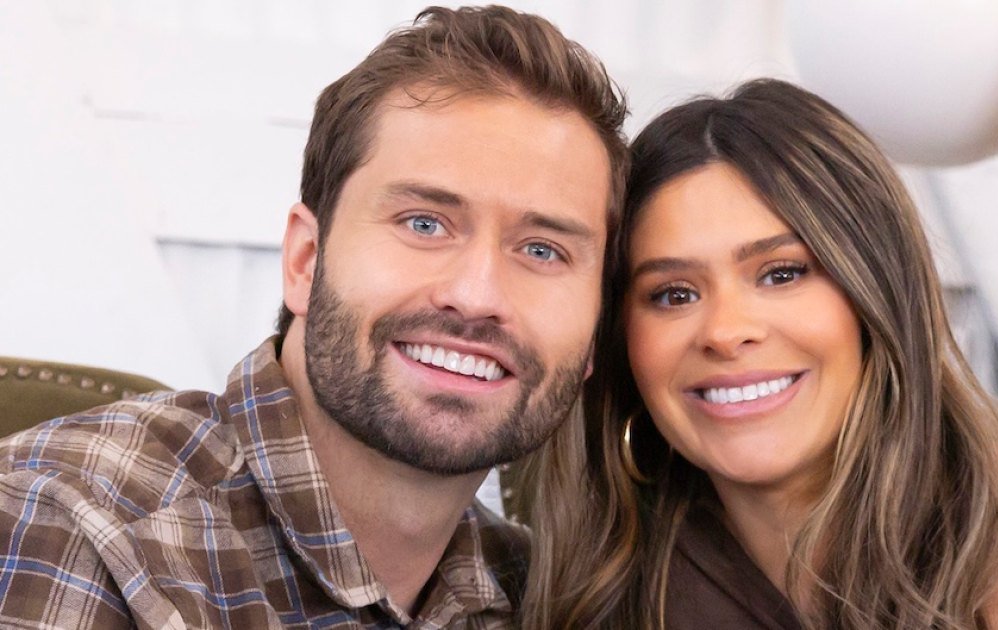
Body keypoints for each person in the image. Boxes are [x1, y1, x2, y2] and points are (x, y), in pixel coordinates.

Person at [0, 6, 627, 628]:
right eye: (424, 223)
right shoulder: (69, 525)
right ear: (305, 259)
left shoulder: (541, 595)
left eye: (542, 251)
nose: (476, 294)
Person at [521, 78, 998, 629]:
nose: (725, 332)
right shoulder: (588, 590)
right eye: (672, 294)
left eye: (782, 273)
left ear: (879, 292)